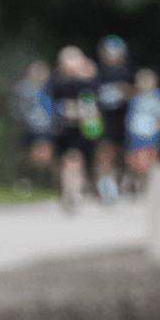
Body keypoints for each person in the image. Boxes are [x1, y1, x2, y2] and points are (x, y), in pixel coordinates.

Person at [48, 45, 100, 211]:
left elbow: (92, 101)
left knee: (76, 159)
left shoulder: (88, 81)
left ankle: (74, 190)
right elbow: (54, 96)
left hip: (82, 128)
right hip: (64, 127)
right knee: (67, 160)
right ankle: (69, 190)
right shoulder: (57, 81)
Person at [93, 35, 135, 202]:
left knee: (123, 154)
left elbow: (138, 93)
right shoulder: (97, 72)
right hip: (103, 118)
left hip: (124, 118)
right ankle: (104, 184)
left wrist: (127, 91)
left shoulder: (128, 72)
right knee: (105, 151)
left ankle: (119, 184)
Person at [10, 60, 55, 187]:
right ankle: (26, 179)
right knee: (28, 156)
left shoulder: (50, 88)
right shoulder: (23, 88)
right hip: (28, 127)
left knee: (44, 154)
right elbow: (17, 109)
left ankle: (44, 180)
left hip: (46, 127)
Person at [128, 68, 160, 192]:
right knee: (139, 159)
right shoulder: (135, 98)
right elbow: (130, 118)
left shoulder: (158, 96)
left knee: (151, 157)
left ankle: (148, 183)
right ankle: (139, 181)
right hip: (137, 133)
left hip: (153, 133)